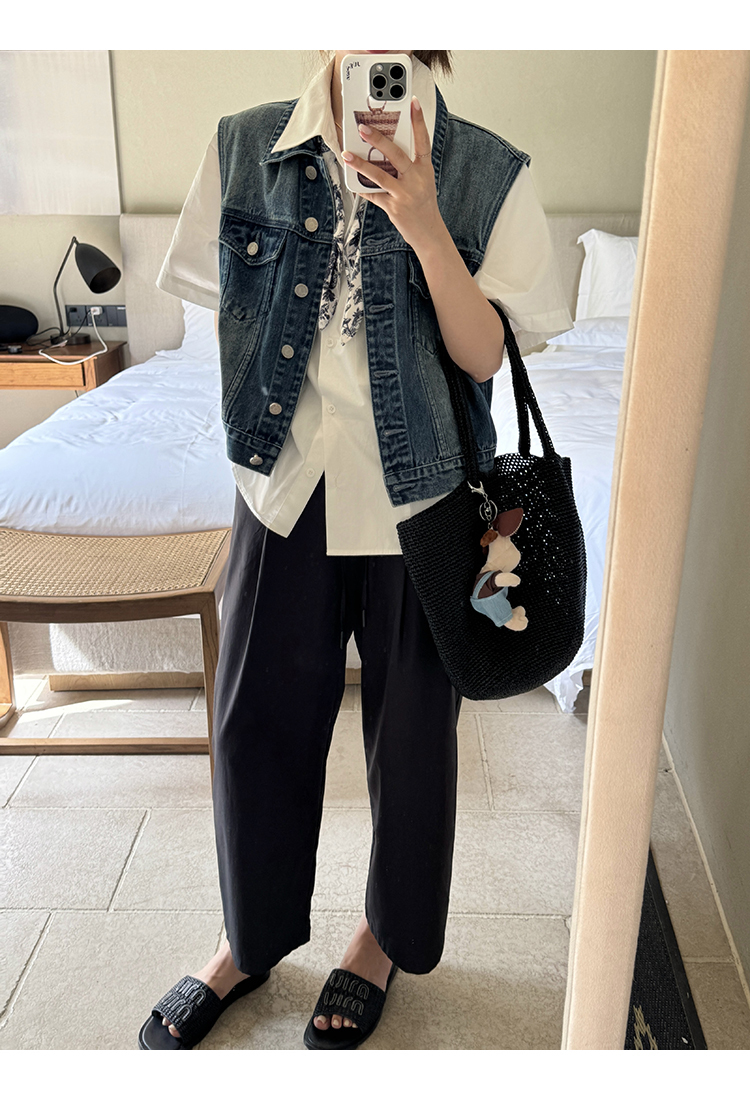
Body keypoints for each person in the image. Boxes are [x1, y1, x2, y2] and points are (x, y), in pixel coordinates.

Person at [138, 49, 572, 1051]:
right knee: (253, 723)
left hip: (424, 499)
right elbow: (227, 315)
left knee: (414, 738)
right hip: (282, 487)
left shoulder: (489, 170)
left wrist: (423, 222)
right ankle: (247, 940)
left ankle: (381, 938)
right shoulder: (244, 146)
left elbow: (485, 355)